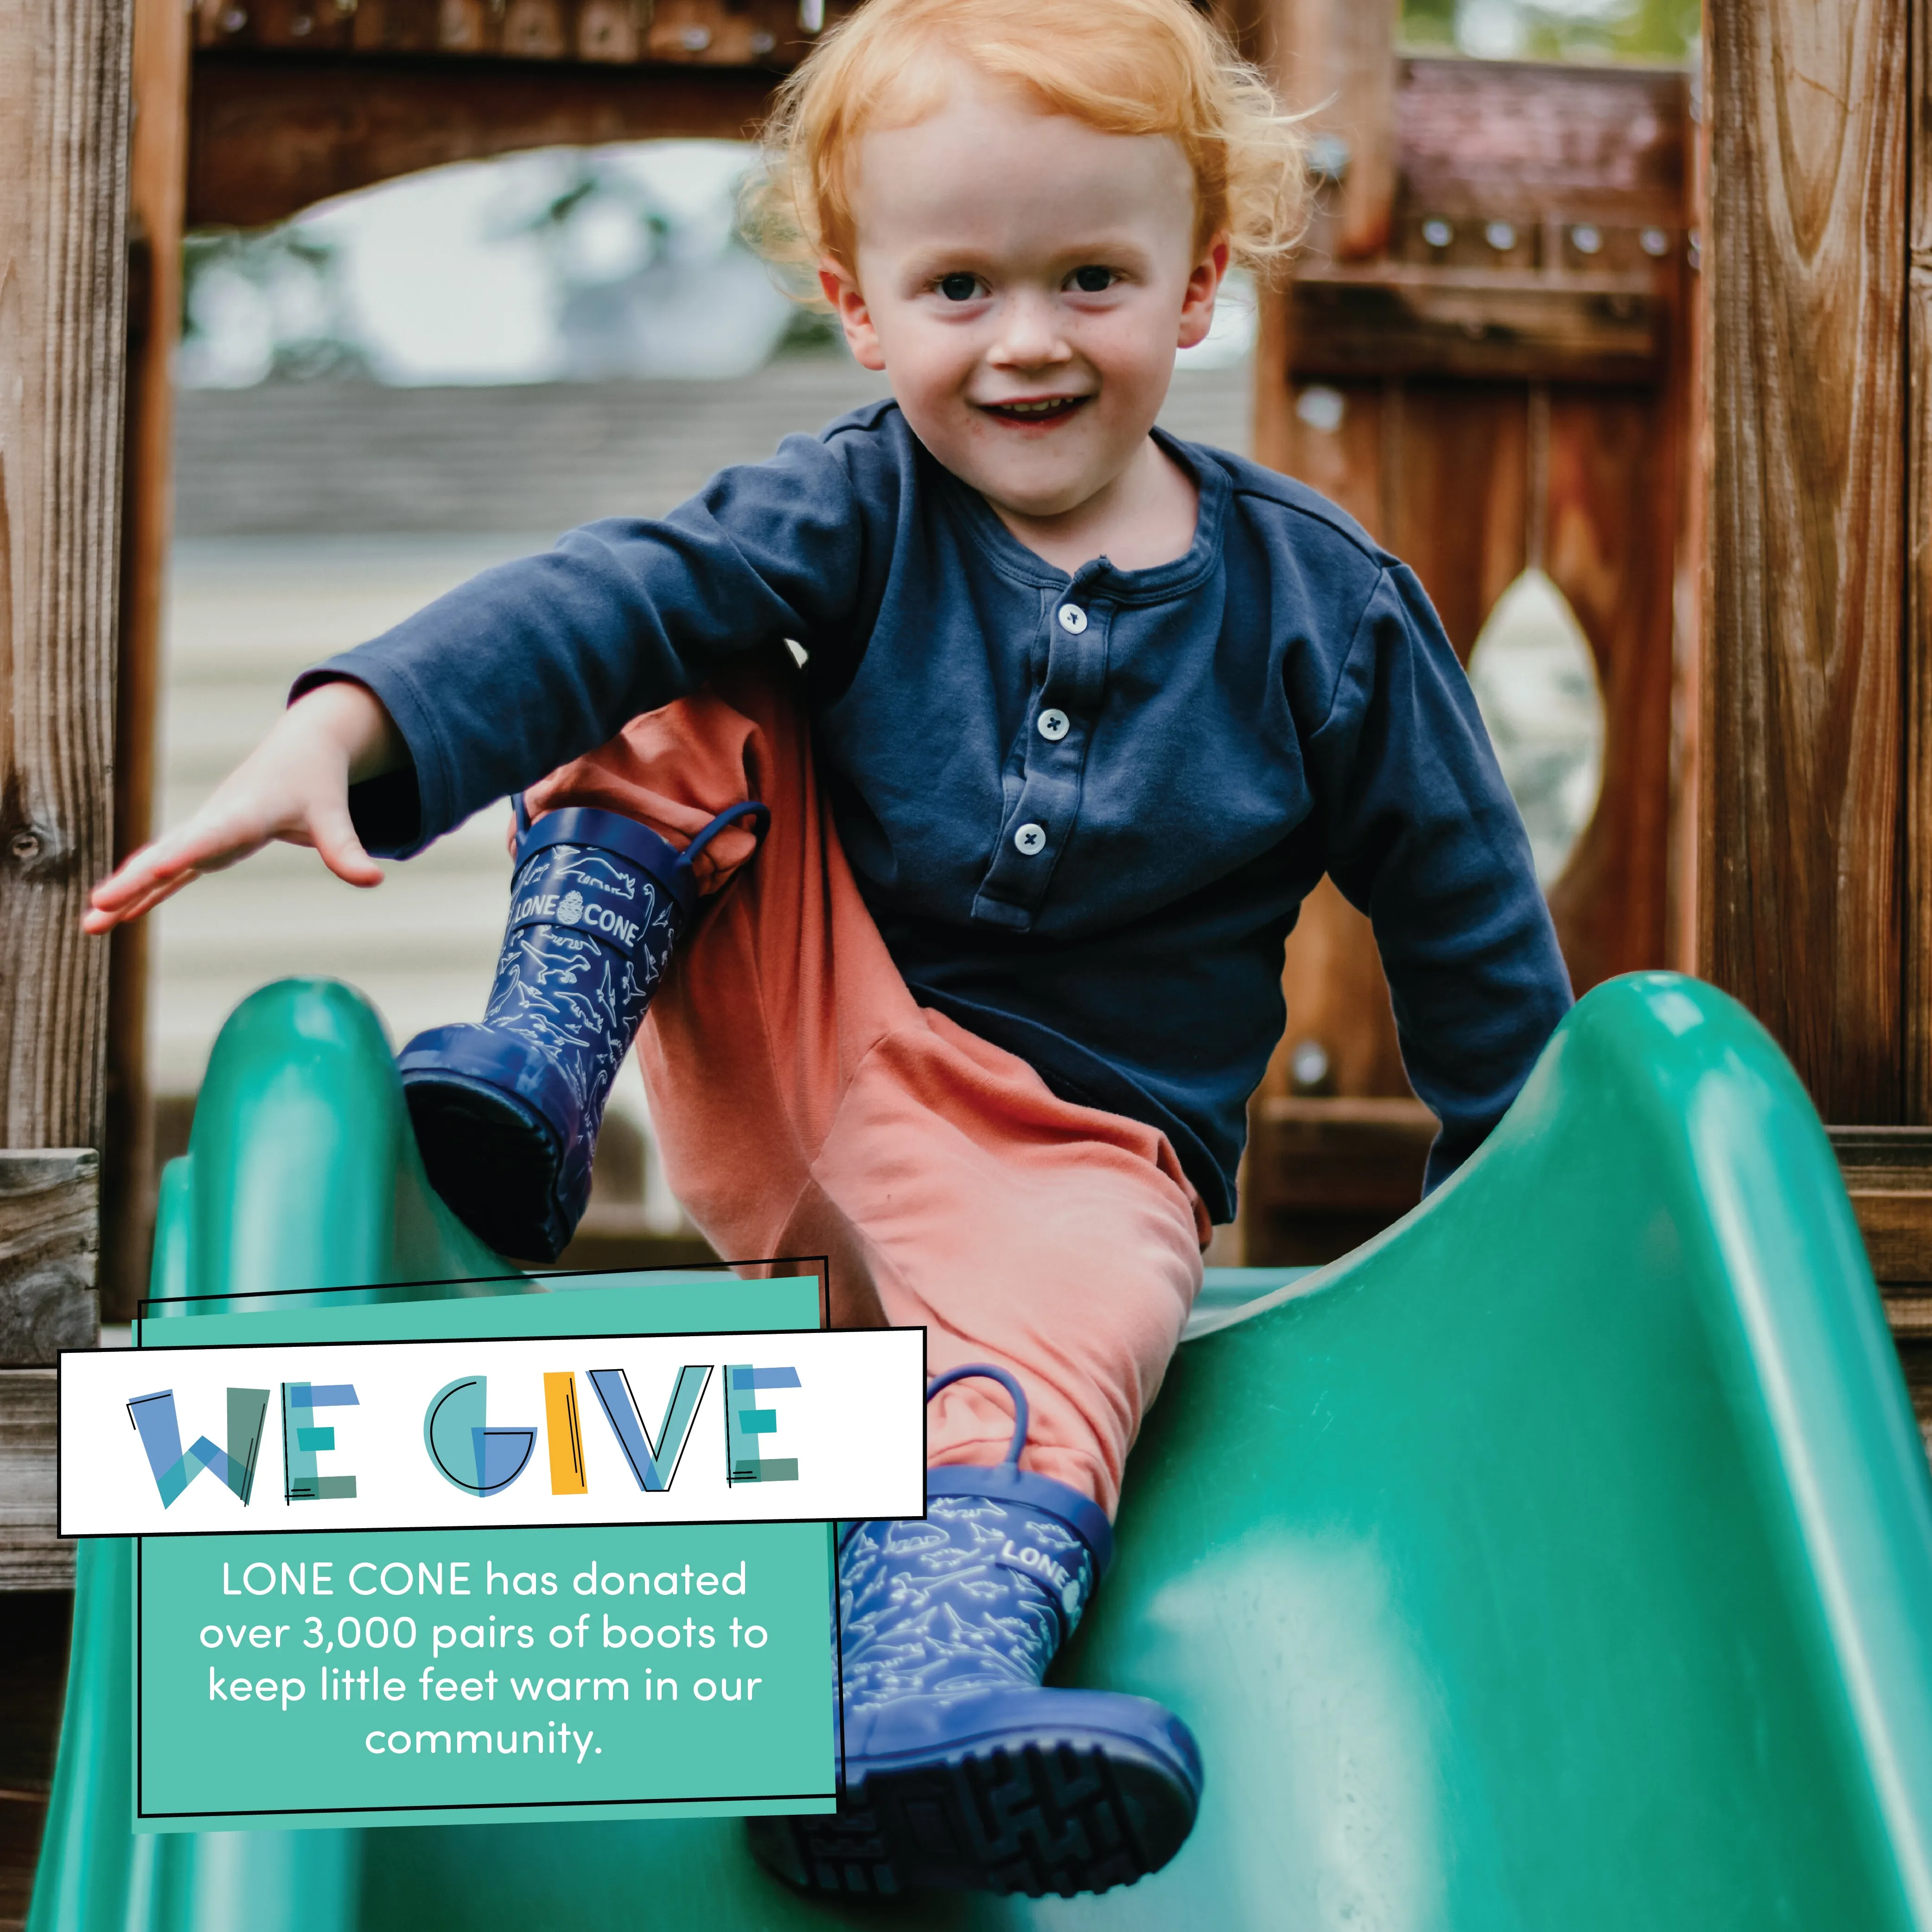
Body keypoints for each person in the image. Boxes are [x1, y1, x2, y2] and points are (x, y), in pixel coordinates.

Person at [86, 0, 1573, 1898]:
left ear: (1199, 283)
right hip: (800, 1035)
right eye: (959, 285)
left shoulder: (1327, 618)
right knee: (675, 635)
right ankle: (540, 1066)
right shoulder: (852, 511)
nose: (1026, 339)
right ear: (858, 306)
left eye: (1090, 278)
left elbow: (1476, 951)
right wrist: (354, 731)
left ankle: (912, 1702)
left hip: (1068, 1165)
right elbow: (609, 600)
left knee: (1057, 1359)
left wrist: (1495, 1255)